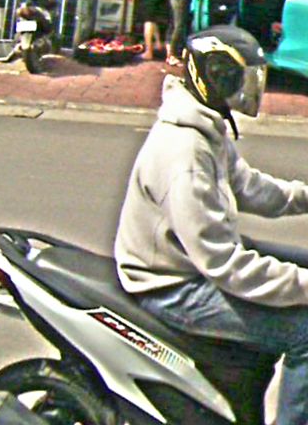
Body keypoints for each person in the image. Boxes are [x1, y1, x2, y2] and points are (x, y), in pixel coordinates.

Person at [114, 24, 308, 425]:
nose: (249, 90)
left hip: (194, 262)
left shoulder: (206, 127)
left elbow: (251, 188)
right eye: (242, 79)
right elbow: (223, 264)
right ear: (217, 76)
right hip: (172, 286)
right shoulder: (185, 154)